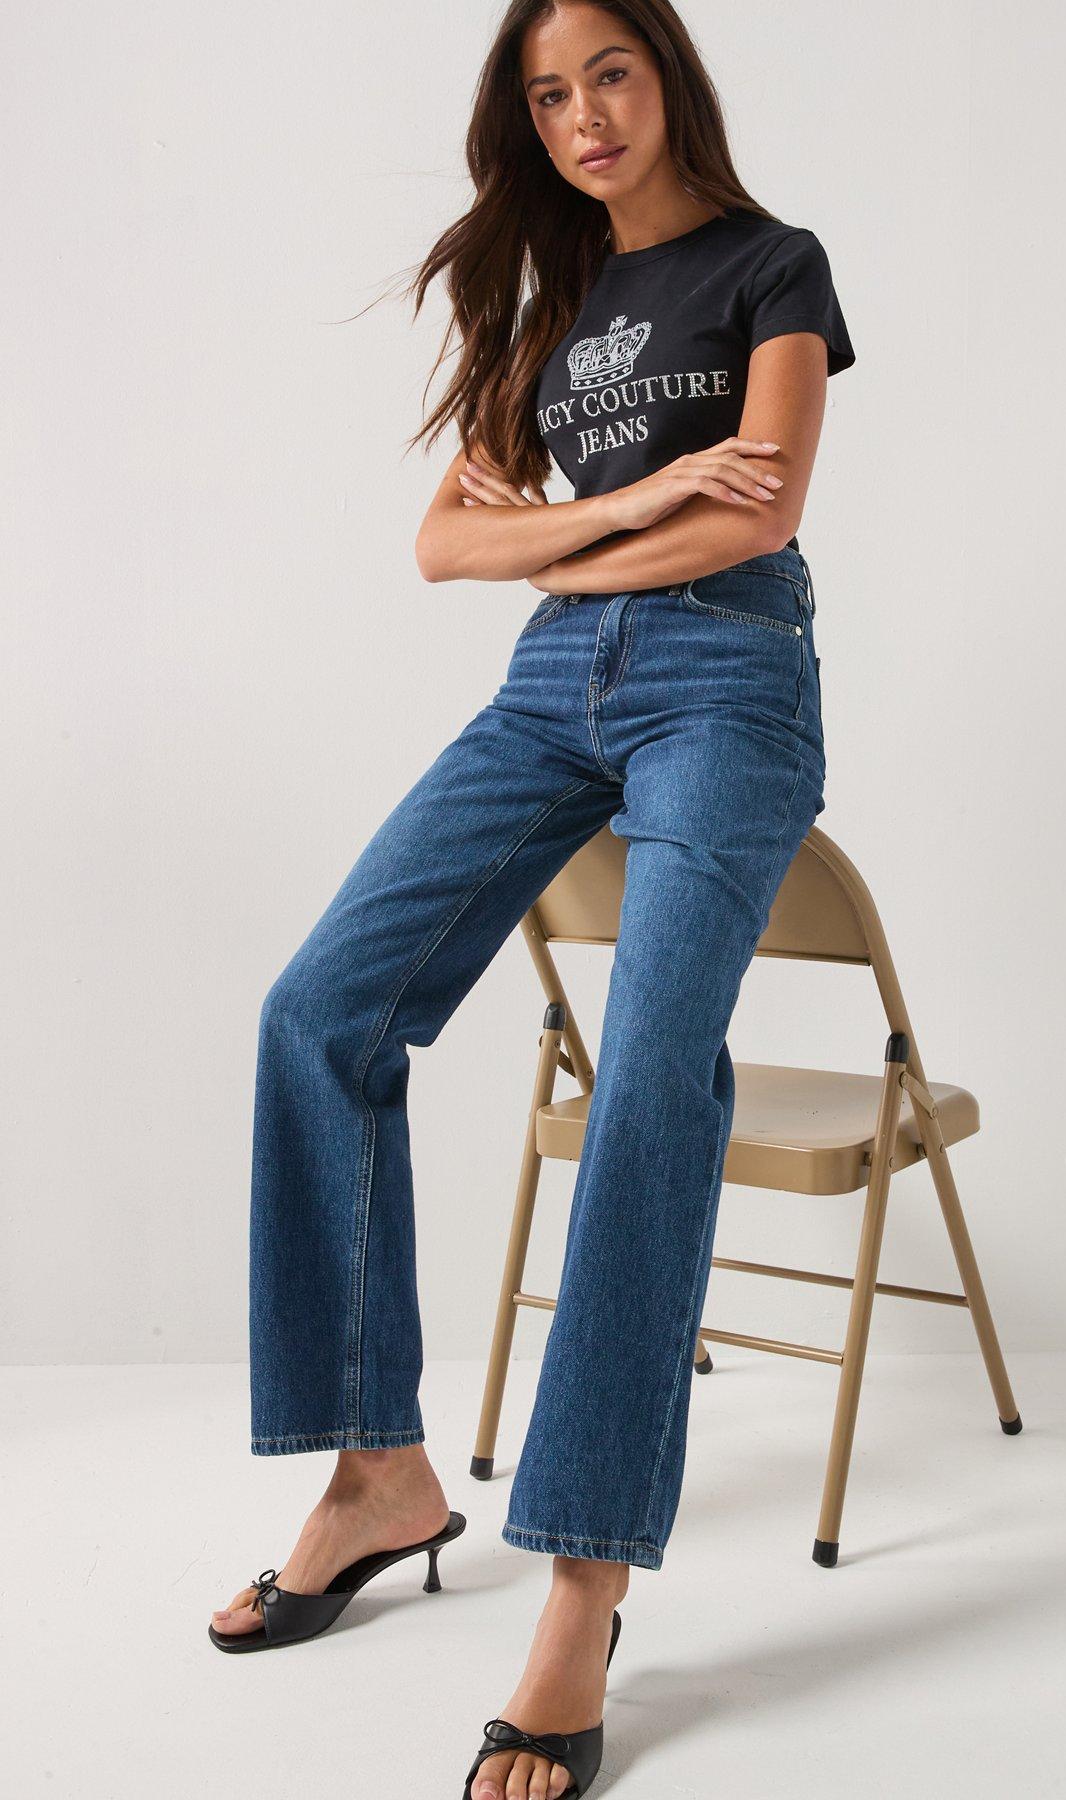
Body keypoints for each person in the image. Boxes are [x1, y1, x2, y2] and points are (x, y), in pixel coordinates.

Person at [210, 3, 855, 1796]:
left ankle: (582, 1586)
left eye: (609, 74)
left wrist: (570, 536)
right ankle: (375, 1473)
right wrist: (622, 508)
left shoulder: (773, 266)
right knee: (318, 1008)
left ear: (668, 77)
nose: (582, 116)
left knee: (649, 1073)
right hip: (549, 685)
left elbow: (759, 515)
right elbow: (446, 543)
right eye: (549, 94)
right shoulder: (547, 300)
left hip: (725, 679)